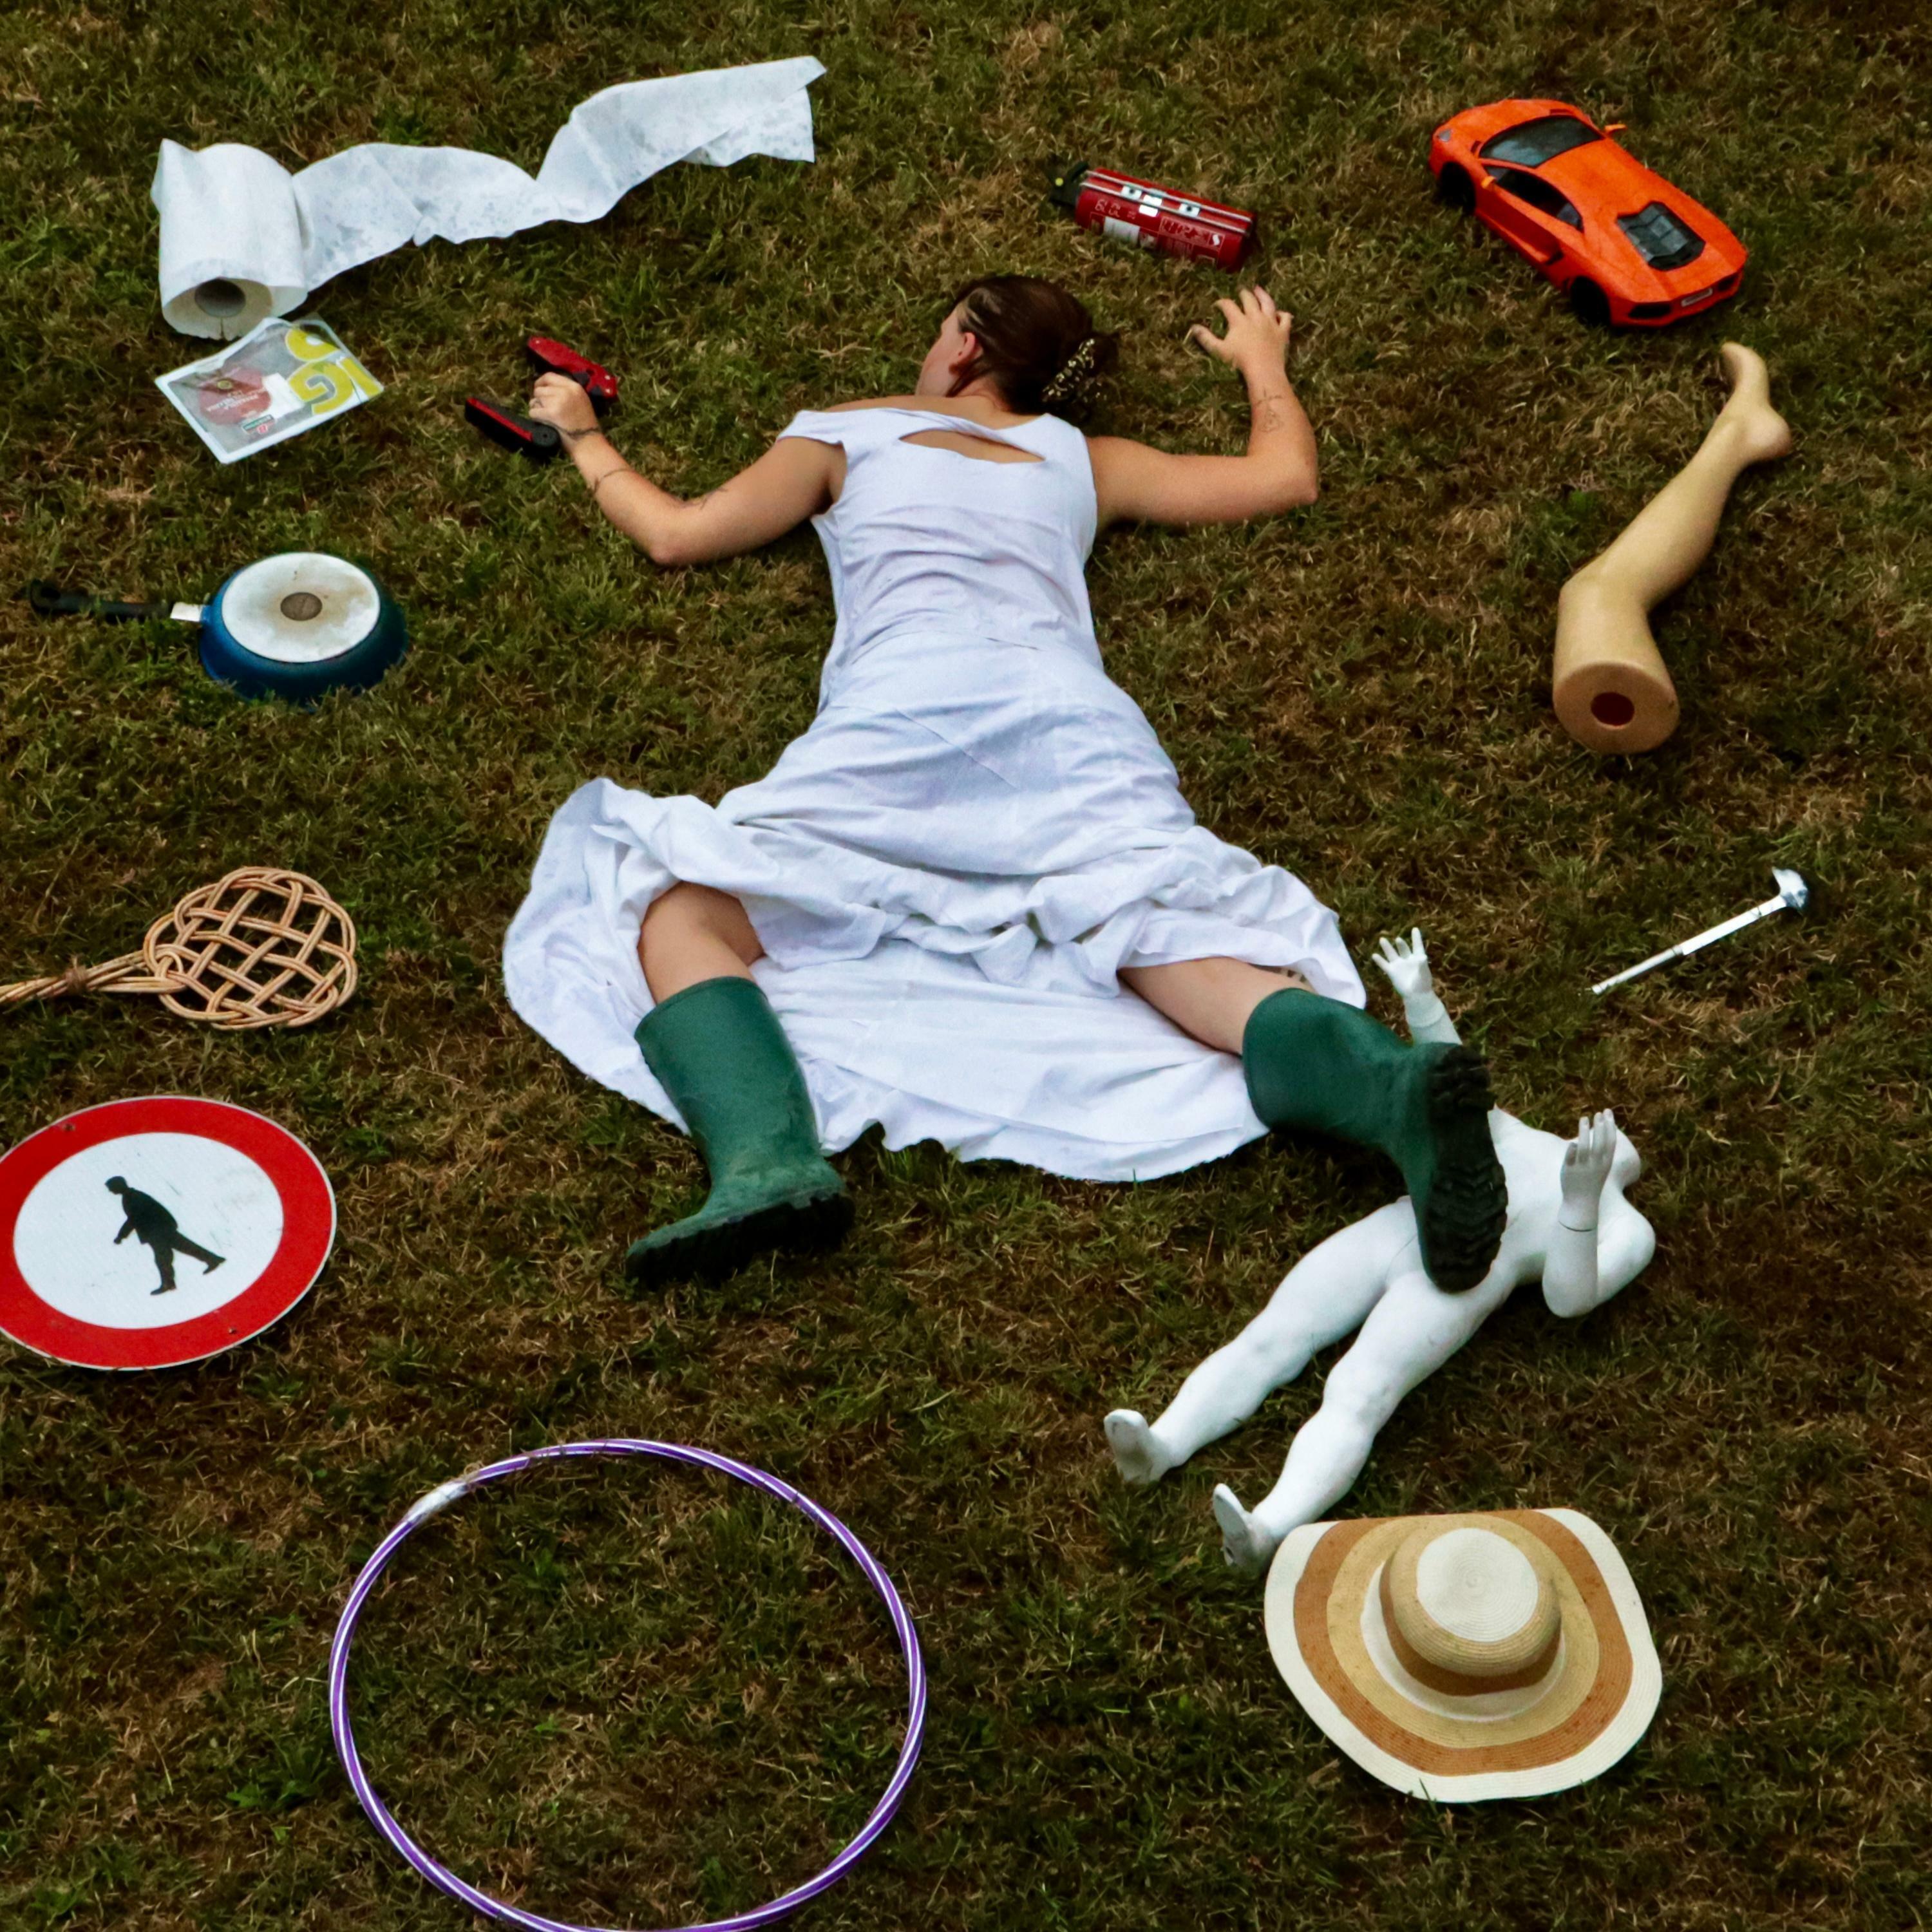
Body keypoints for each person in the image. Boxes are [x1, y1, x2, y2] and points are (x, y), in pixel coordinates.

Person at [505, 278, 1508, 1290]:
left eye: (941, 331)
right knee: (1163, 938)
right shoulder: (1087, 460)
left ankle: (765, 1162)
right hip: (1076, 734)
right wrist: (1263, 365)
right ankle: (1391, 1090)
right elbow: (1284, 477)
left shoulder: (848, 429)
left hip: (901, 726)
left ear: (965, 351)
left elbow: (676, 534)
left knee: (684, 914)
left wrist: (582, 433)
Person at [1103, 931, 1656, 1575]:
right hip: (1394, 1228)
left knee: (1359, 1390)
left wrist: (1580, 1201)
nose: (1617, 1139)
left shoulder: (1628, 1226)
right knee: (1274, 1334)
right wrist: (1422, 1000)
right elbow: (1450, 1089)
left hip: (1457, 1283)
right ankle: (1161, 1445)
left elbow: (1568, 1299)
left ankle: (1269, 1527)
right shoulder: (1521, 1134)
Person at [106, 1177, 225, 1296]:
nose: (110, 1191)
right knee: (184, 1247)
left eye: (111, 1188)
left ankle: (169, 1284)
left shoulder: (132, 1197)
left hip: (157, 1231)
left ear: (118, 1186)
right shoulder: (133, 1195)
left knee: (164, 1258)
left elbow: (133, 1219)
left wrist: (121, 1236)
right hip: (160, 1229)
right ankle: (213, 1260)